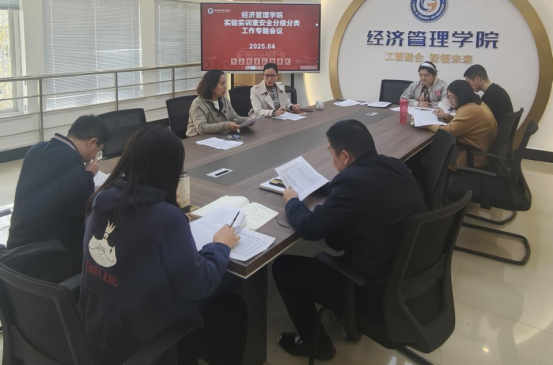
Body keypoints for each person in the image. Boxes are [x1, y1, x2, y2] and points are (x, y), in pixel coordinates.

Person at [80, 125, 247, 365]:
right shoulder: (165, 218)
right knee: (233, 305)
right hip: (143, 347)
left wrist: (170, 213)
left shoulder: (100, 200)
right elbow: (200, 285)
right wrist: (221, 245)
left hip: (96, 331)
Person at [272, 120, 426, 360]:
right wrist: (320, 186)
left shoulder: (352, 182)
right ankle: (343, 314)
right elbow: (358, 189)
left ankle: (317, 345)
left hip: (373, 285)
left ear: (344, 156)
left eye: (330, 153)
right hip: (405, 271)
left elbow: (310, 228)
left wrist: (292, 201)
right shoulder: (394, 165)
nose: (331, 159)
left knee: (283, 268)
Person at [8, 115, 109, 265]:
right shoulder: (72, 159)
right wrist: (89, 174)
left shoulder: (36, 148)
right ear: (91, 142)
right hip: (44, 256)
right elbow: (83, 208)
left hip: (15, 247)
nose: (96, 156)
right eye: (98, 151)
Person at [431, 80, 498, 169]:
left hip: (473, 155)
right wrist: (447, 117)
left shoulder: (468, 110)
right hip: (481, 150)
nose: (450, 101)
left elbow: (447, 131)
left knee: (427, 155)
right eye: (448, 98)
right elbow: (465, 123)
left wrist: (426, 125)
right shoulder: (477, 104)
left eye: (451, 97)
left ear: (460, 96)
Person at [187, 69, 252, 138]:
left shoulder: (224, 100)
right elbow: (202, 128)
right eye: (222, 84)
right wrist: (227, 125)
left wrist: (248, 120)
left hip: (218, 137)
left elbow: (234, 118)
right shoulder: (198, 103)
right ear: (212, 86)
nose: (225, 87)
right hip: (198, 139)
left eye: (225, 83)